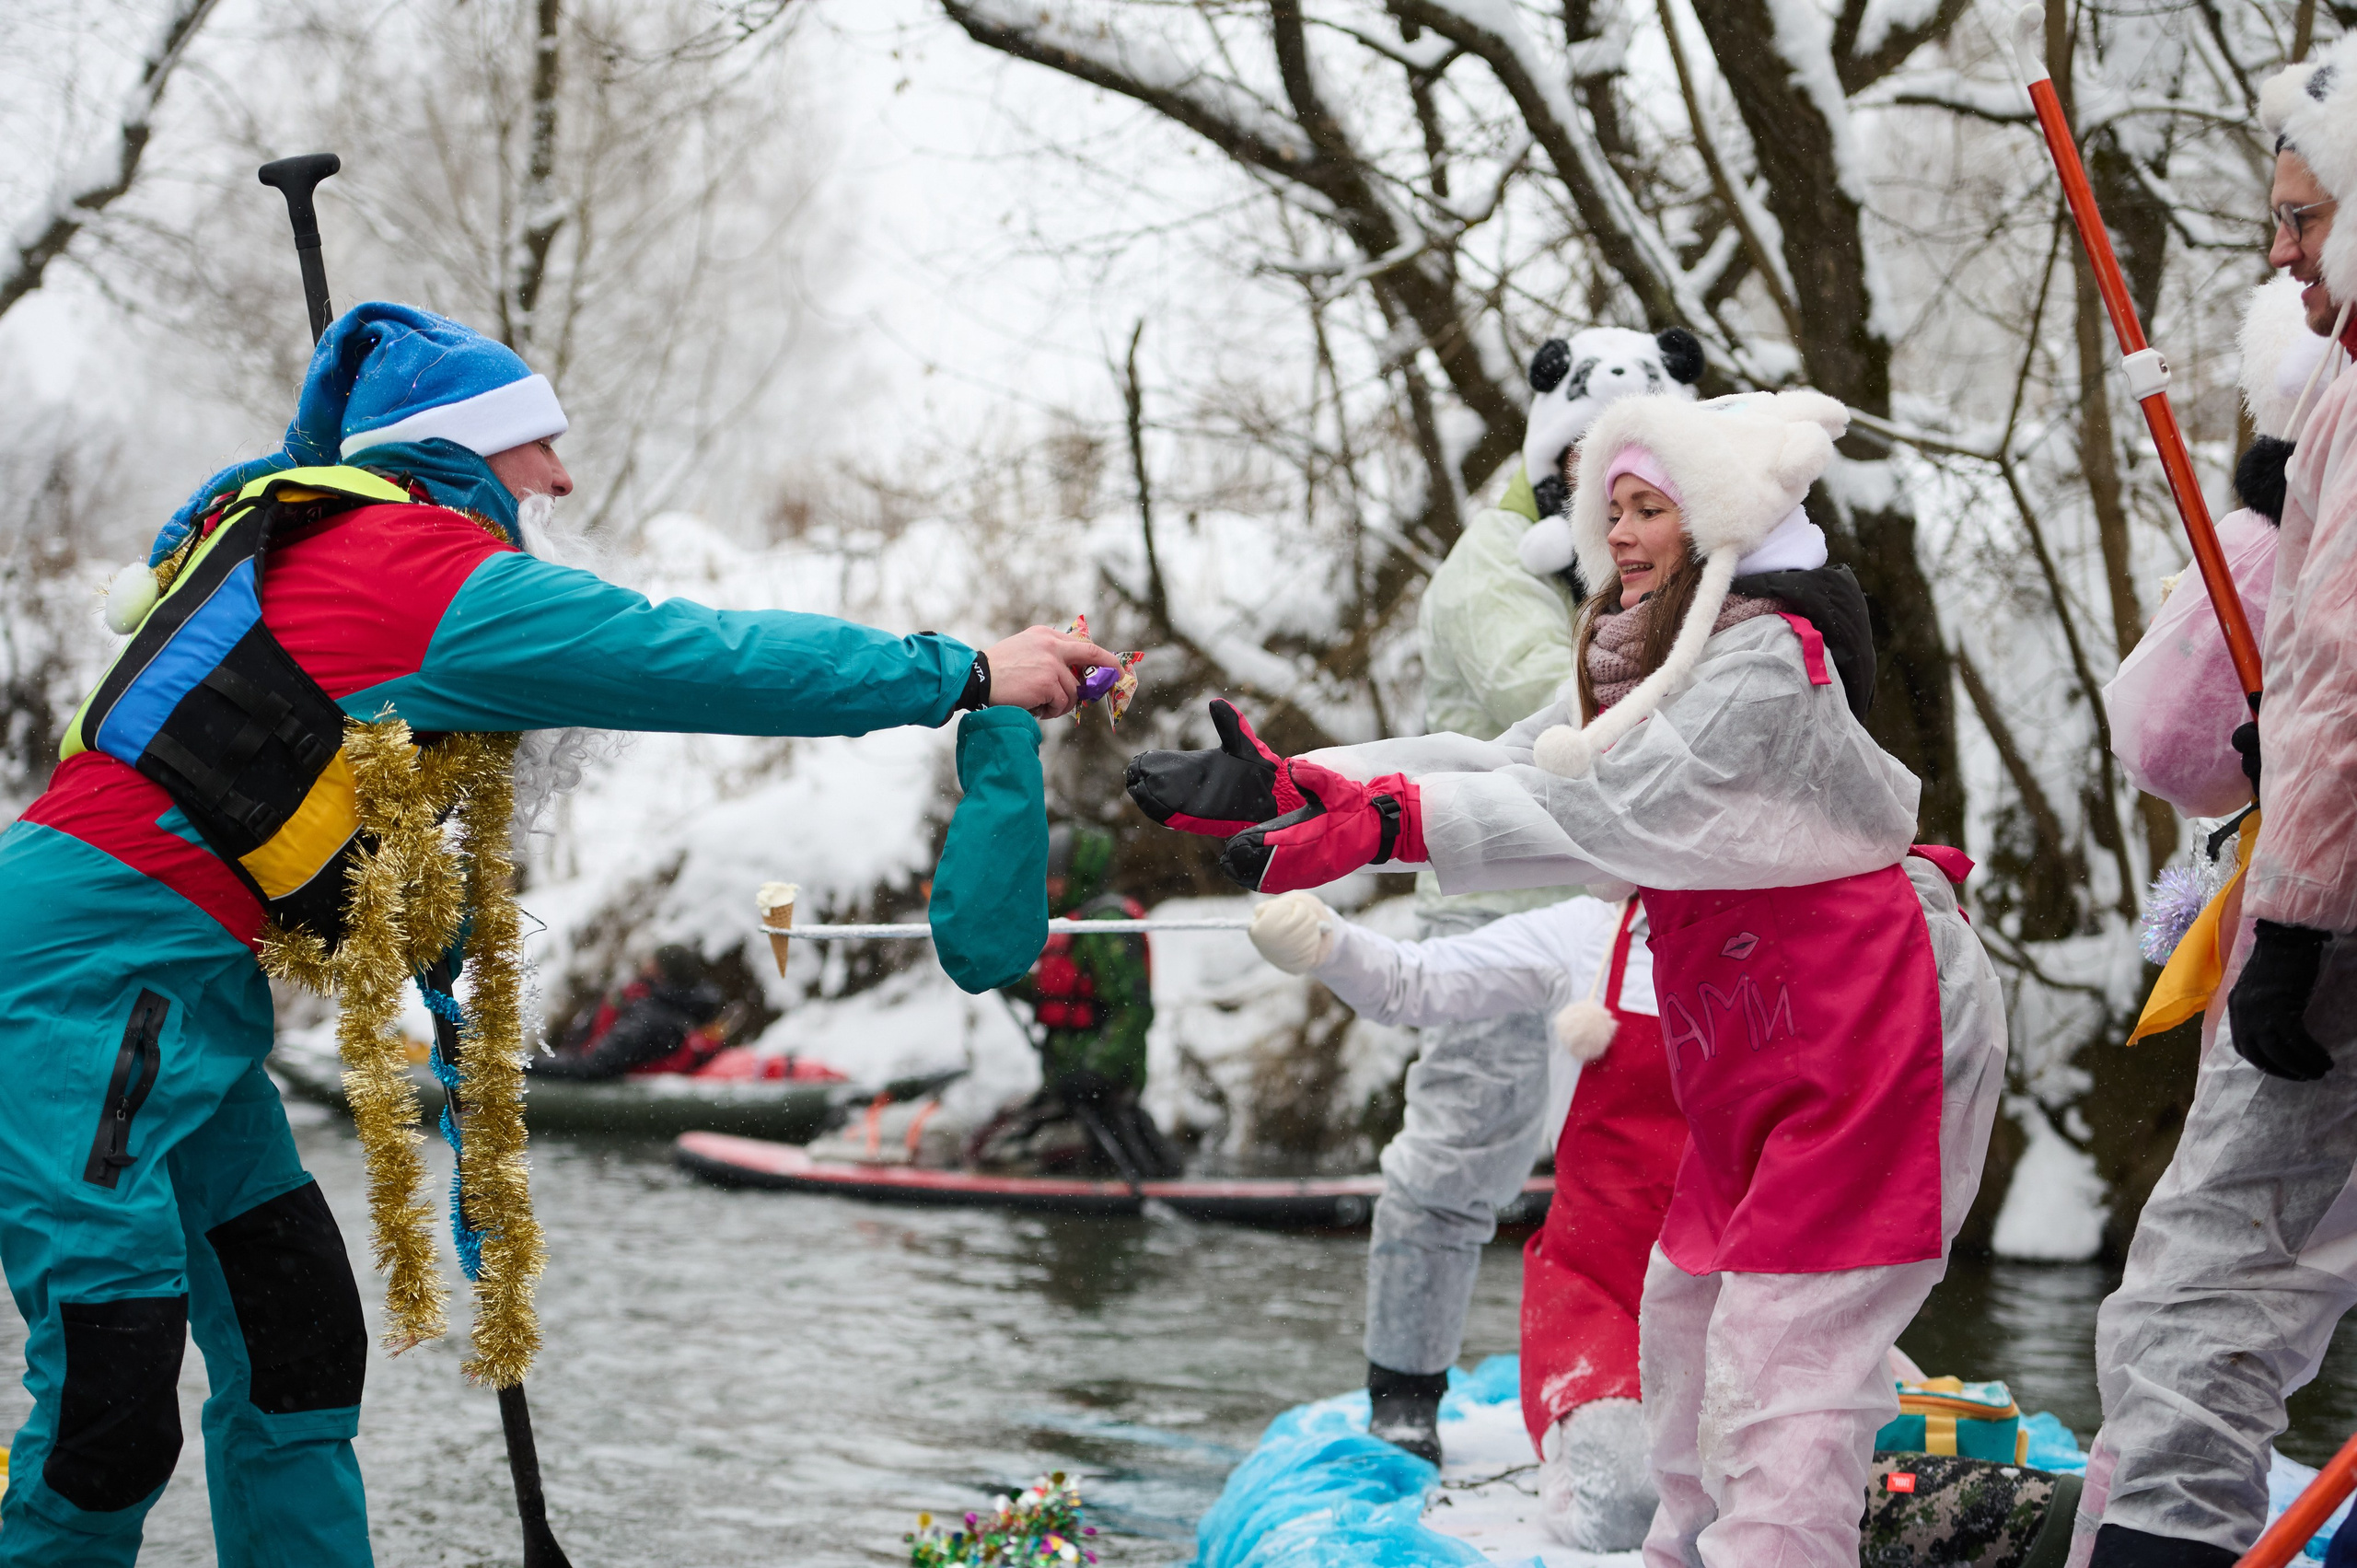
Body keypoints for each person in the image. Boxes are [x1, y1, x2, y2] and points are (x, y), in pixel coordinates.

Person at [0, 299, 1119, 1567]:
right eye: (541, 444)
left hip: (185, 1005)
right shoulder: (417, 573)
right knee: (110, 1402)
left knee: (296, 1338)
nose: (564, 475)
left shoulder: (333, 547)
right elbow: (696, 658)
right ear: (466, 454)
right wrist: (964, 671)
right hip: (74, 990)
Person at [1131, 386, 2007, 1565]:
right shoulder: (1647, 654)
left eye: (1654, 508)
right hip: (1753, 1034)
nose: (1626, 533)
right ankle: (1685, 1549)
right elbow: (1498, 762)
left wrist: (1384, 827)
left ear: (1719, 520)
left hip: (1868, 1020)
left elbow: (1603, 809)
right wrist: (1298, 781)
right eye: (1616, 509)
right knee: (1688, 1318)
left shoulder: (1766, 662)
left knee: (1780, 1367)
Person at [2069, 41, 2357, 1568]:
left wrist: (2297, 913)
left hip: (2336, 912)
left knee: (2209, 1287)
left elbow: (2324, 690)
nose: (2282, 250)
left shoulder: (2348, 415)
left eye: (2306, 217)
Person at [1349, 328, 1696, 1469]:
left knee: (1677, 1156)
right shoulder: (1491, 568)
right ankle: (1404, 1395)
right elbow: (1562, 718)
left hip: (1639, 896)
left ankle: (1668, 1391)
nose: (1624, 518)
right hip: (1496, 885)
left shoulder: (1668, 552)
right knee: (1460, 1152)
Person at [1248, 885, 1681, 1551]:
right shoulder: (1587, 933)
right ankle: (1429, 1402)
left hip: (1743, 1287)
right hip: (1605, 1293)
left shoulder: (1791, 929)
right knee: (1625, 1506)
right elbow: (1412, 980)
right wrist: (1327, 940)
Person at [973, 823, 1174, 1179]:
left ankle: (1151, 1198)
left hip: (1103, 1087)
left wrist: (1097, 1070)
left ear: (1080, 873)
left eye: (1058, 877)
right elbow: (1050, 995)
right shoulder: (1068, 923)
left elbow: (1133, 1008)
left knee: (1130, 1161)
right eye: (1047, 877)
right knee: (1006, 1144)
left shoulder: (1106, 926)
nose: (1049, 886)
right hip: (1065, 1078)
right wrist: (997, 972)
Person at [527, 945, 726, 1081]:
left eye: (651, 963)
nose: (643, 966)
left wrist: (523, 1061)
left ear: (659, 973)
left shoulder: (648, 1016)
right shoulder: (681, 1009)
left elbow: (592, 1066)